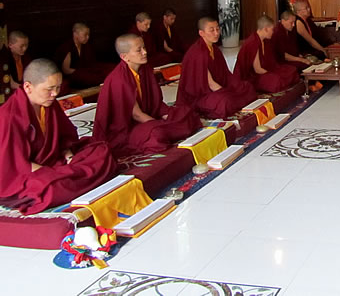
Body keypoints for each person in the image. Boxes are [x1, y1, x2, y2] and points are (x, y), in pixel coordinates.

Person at [0, 59, 116, 214]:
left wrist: (69, 158)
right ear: (28, 87)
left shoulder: (49, 103)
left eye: (57, 88)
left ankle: (72, 178)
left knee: (102, 150)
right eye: (49, 89)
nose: (55, 94)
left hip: (56, 162)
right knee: (52, 189)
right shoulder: (9, 116)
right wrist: (53, 173)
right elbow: (15, 165)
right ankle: (72, 179)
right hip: (31, 174)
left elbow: (64, 138)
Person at [93, 34, 201, 157]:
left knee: (186, 113)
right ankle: (167, 131)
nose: (144, 52)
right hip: (127, 129)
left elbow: (156, 103)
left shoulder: (145, 69)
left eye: (144, 47)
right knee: (157, 134)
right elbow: (137, 115)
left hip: (148, 117)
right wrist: (161, 124)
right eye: (139, 50)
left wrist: (167, 115)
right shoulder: (118, 80)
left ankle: (169, 129)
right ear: (124, 57)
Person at [176, 17, 257, 120]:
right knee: (225, 101)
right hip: (200, 96)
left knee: (247, 87)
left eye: (217, 29)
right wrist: (228, 92)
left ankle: (232, 99)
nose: (216, 33)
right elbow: (211, 84)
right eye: (212, 30)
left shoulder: (215, 49)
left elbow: (226, 74)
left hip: (218, 89)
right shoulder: (197, 54)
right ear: (201, 33)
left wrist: (237, 85)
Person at [234, 16, 299, 93]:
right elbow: (257, 69)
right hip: (253, 76)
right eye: (272, 29)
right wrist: (273, 74)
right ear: (265, 29)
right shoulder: (253, 42)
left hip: (265, 71)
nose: (273, 32)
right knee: (276, 80)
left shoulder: (265, 41)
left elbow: (271, 63)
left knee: (292, 70)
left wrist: (276, 71)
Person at [54, 23, 114, 89]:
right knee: (92, 78)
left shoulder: (85, 45)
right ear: (75, 34)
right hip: (74, 73)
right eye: (85, 35)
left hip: (87, 69)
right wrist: (81, 72)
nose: (88, 37)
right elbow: (66, 70)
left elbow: (91, 63)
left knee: (111, 68)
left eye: (88, 35)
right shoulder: (67, 47)